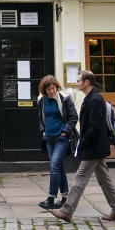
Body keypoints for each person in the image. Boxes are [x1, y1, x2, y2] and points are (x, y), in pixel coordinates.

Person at [48, 70, 115, 222]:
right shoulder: (90, 98)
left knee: (80, 178)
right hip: (95, 146)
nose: (77, 83)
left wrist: (83, 143)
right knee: (105, 180)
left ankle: (66, 210)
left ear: (86, 83)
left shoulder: (95, 99)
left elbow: (95, 127)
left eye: (78, 81)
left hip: (94, 147)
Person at [36, 75, 78, 210]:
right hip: (49, 139)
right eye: (49, 89)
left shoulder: (64, 99)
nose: (52, 92)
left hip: (61, 139)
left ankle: (50, 198)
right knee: (58, 167)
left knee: (54, 166)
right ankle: (65, 198)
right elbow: (40, 119)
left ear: (57, 87)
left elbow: (73, 117)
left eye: (53, 88)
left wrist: (65, 132)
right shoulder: (42, 101)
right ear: (44, 90)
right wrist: (43, 131)